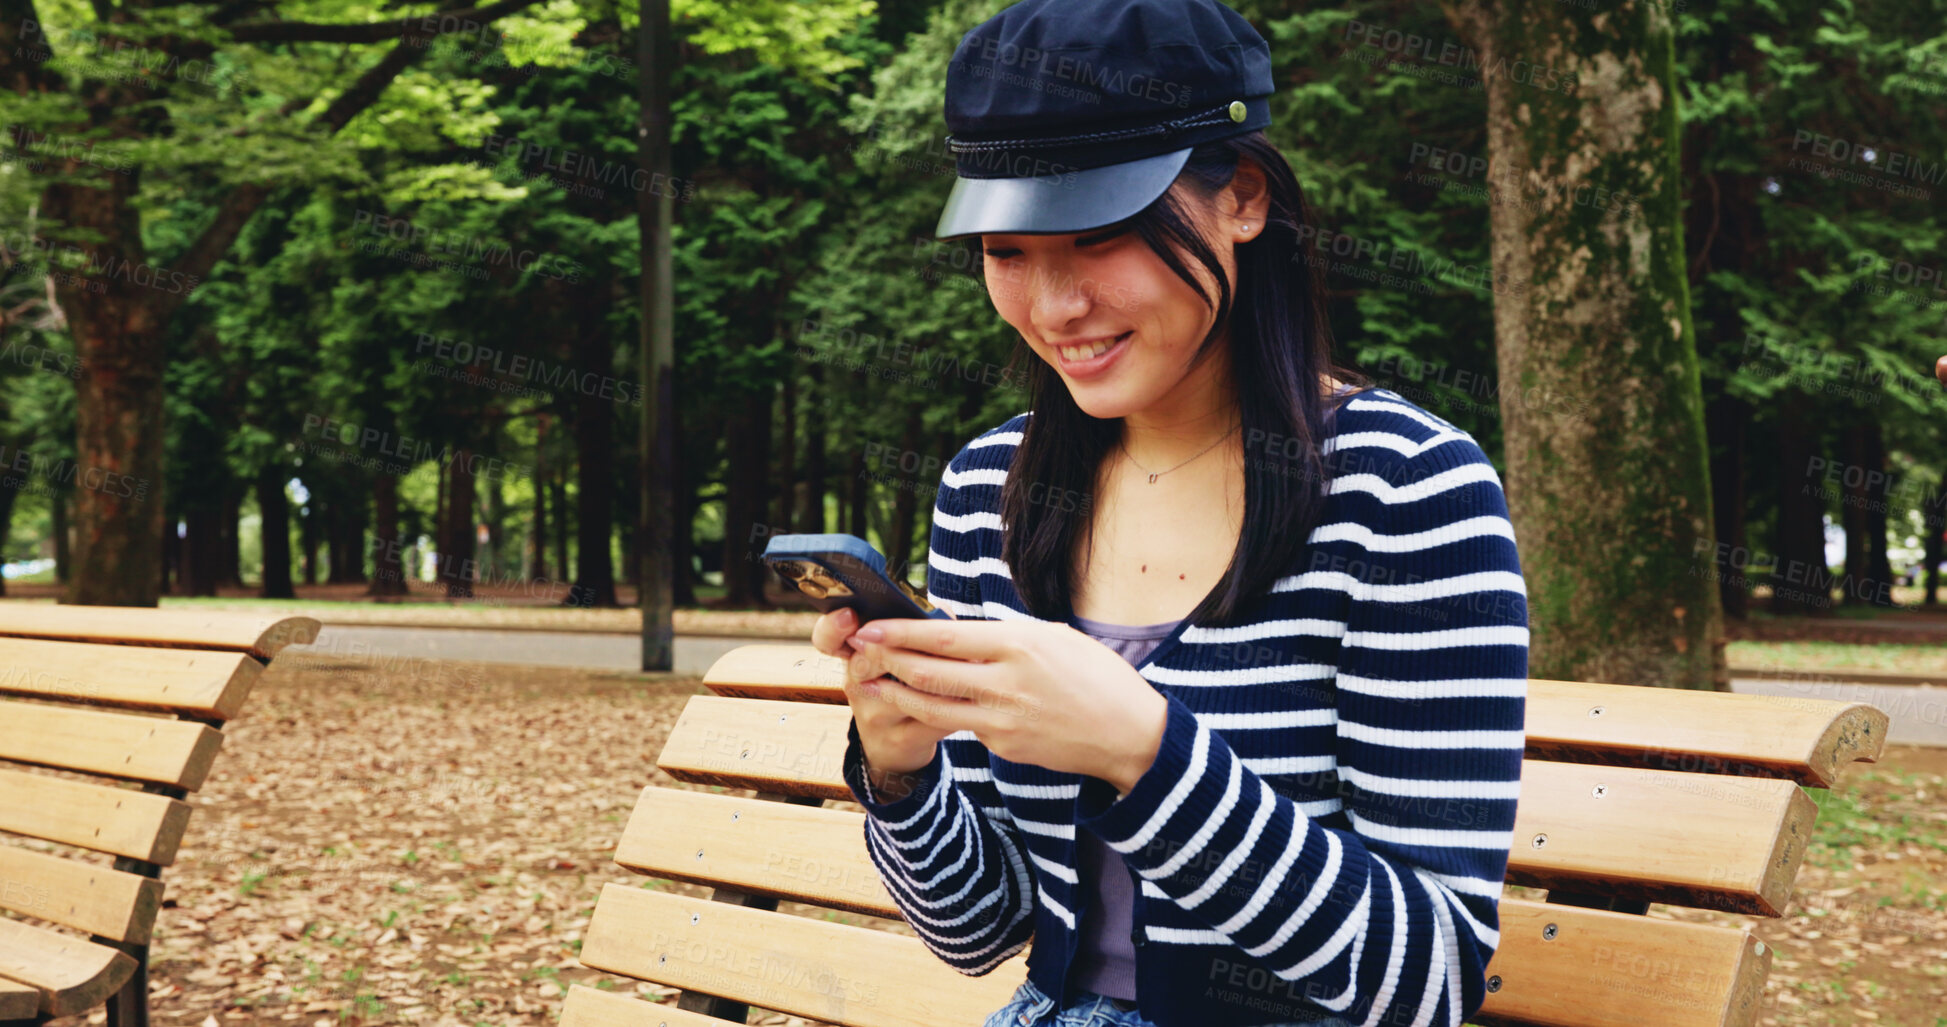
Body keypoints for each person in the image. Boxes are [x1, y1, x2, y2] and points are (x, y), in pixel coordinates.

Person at [808, 2, 1529, 1025]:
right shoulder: (990, 491)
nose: (1054, 307)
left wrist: (1144, 751)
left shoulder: (1406, 492)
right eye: (1006, 251)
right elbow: (977, 932)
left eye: (1099, 236)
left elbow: (1430, 979)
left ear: (1243, 197)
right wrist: (899, 765)